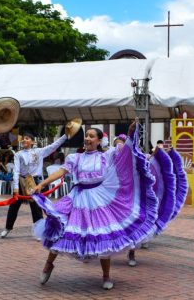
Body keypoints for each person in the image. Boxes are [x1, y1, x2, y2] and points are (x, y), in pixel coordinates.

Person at [29, 122, 157, 290]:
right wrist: (41, 185)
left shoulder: (106, 156)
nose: (87, 138)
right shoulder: (75, 158)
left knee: (103, 235)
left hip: (98, 198)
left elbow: (126, 152)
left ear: (98, 141)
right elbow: (60, 172)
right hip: (77, 198)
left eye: (91, 136)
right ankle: (48, 266)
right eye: (86, 136)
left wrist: (131, 133)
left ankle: (106, 276)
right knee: (59, 229)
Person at [127, 139, 187, 267]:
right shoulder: (115, 160)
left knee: (136, 221)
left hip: (137, 195)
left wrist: (161, 152)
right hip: (121, 196)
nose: (120, 147)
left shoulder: (139, 158)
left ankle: (132, 252)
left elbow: (151, 162)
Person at [0, 130, 69, 238]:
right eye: (24, 138)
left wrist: (65, 135)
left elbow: (54, 145)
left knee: (36, 207)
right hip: (21, 181)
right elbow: (16, 171)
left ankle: (38, 231)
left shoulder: (39, 152)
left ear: (32, 142)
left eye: (27, 138)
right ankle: (8, 228)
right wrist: (16, 187)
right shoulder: (18, 154)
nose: (24, 140)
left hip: (34, 182)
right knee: (14, 206)